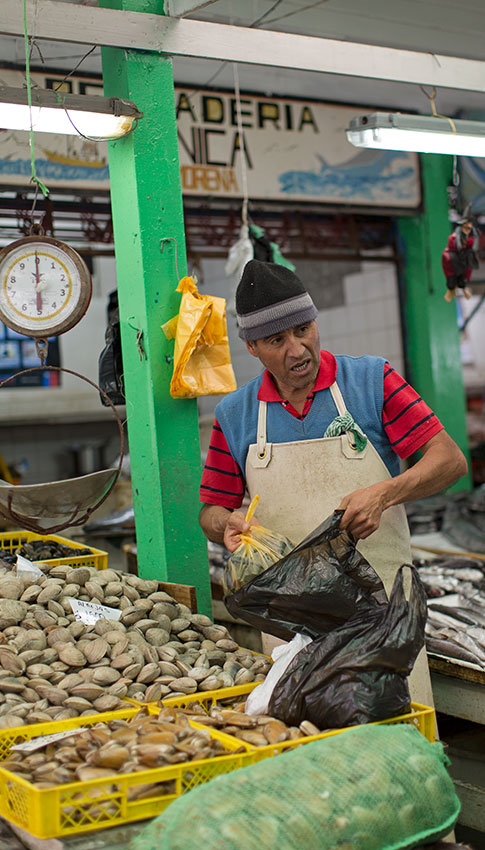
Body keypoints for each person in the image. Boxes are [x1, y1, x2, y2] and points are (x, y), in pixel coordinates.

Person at [199, 259, 468, 703]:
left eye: (303, 329)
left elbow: (450, 460)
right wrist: (223, 523)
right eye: (276, 340)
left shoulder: (372, 381)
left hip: (385, 616)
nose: (297, 349)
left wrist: (384, 493)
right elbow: (211, 510)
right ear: (251, 347)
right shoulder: (235, 415)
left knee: (400, 737)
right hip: (293, 625)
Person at [442, 217, 478, 302]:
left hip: (462, 259)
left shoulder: (470, 239)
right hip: (453, 259)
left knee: (462, 275)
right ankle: (451, 290)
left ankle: (461, 288)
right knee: (453, 277)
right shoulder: (453, 239)